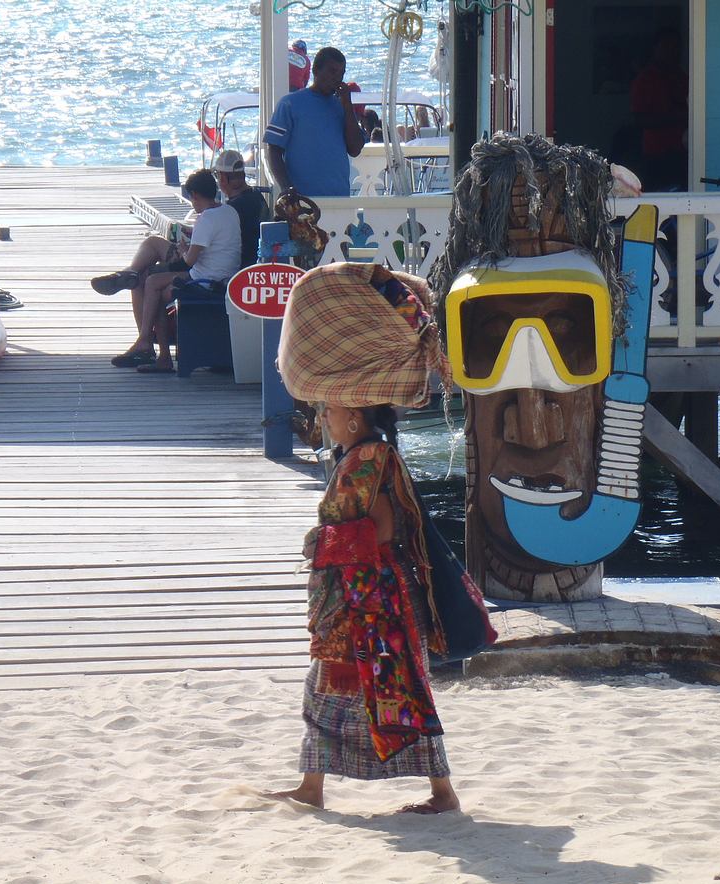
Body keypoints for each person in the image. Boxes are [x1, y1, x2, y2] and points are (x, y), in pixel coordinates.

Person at [267, 262, 460, 814]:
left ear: (352, 414)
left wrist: (320, 544)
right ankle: (315, 787)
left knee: (390, 687)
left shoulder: (366, 458)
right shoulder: (365, 452)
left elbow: (381, 529)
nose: (324, 417)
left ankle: (441, 794)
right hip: (367, 594)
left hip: (371, 597)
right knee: (353, 689)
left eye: (329, 410)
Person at [91, 169, 240, 373]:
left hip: (206, 279)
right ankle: (132, 275)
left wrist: (182, 251)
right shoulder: (229, 211)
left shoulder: (206, 219)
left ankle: (147, 342)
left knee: (151, 282)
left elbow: (189, 261)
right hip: (224, 274)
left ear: (195, 195)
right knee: (152, 250)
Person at [263, 46, 365, 197]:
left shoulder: (342, 107)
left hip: (339, 198)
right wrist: (286, 187)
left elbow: (355, 149)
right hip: (303, 199)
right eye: (332, 71)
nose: (337, 78)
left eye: (341, 73)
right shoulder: (290, 104)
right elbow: (274, 150)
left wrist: (347, 106)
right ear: (316, 70)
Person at [630, 27, 688, 192]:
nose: (672, 52)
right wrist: (676, 118)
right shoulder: (645, 80)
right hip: (656, 154)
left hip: (683, 153)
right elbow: (639, 120)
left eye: (675, 47)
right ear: (655, 49)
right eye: (666, 46)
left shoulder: (683, 77)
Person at [212, 149, 270, 268]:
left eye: (217, 175)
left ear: (223, 178)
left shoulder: (231, 210)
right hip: (258, 262)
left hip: (240, 268)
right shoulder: (257, 196)